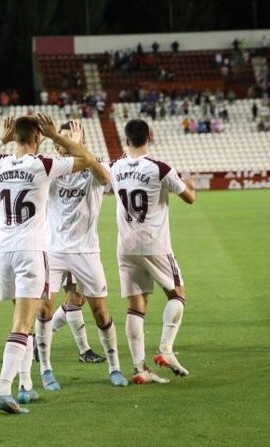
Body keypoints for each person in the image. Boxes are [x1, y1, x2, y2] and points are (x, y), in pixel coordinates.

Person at [0, 114, 95, 414]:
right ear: (38, 137)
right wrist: (59, 137)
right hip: (30, 251)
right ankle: (2, 389)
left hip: (3, 250)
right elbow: (88, 160)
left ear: (15, 136)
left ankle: (25, 385)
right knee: (23, 325)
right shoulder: (42, 164)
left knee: (19, 319)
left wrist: (2, 139)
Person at [34, 121, 129, 391]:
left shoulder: (95, 164)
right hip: (53, 250)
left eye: (66, 139)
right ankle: (46, 370)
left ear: (80, 140)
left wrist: (76, 146)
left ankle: (114, 368)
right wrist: (56, 141)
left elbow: (105, 179)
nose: (59, 143)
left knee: (100, 311)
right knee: (44, 308)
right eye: (57, 139)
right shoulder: (51, 168)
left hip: (86, 251)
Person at [110, 118, 196, 384]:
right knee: (177, 293)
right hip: (154, 244)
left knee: (136, 306)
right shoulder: (160, 168)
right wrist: (189, 184)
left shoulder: (115, 167)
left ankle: (139, 368)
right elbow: (189, 197)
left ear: (126, 139)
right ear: (150, 136)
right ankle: (165, 349)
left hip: (125, 246)